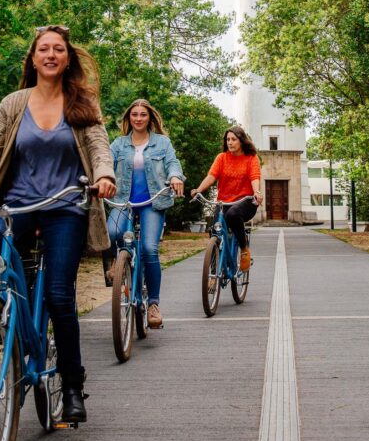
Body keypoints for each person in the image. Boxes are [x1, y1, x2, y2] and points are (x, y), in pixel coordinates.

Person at [0, 25, 116, 424]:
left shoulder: (81, 102)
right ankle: (3, 311)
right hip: (18, 204)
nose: (51, 55)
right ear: (33, 59)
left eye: (58, 50)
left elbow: (98, 147)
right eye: (44, 49)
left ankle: (71, 387)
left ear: (67, 59)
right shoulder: (13, 104)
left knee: (59, 296)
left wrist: (105, 176)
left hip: (65, 206)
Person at [108, 99, 185, 329]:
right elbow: (105, 163)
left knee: (149, 249)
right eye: (134, 114)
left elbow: (173, 163)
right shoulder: (119, 144)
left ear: (150, 117)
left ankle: (153, 304)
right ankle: (117, 263)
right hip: (123, 201)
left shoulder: (162, 142)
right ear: (128, 118)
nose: (138, 118)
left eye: (143, 114)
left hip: (153, 202)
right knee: (112, 232)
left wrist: (175, 177)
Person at [191, 125, 262, 271]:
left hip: (246, 201)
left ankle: (244, 249)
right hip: (224, 202)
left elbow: (254, 177)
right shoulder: (221, 158)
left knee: (233, 214)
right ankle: (213, 274)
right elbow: (211, 177)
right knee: (215, 231)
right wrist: (198, 190)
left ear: (241, 140)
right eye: (228, 139)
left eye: (233, 139)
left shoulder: (251, 158)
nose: (230, 142)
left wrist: (256, 192)